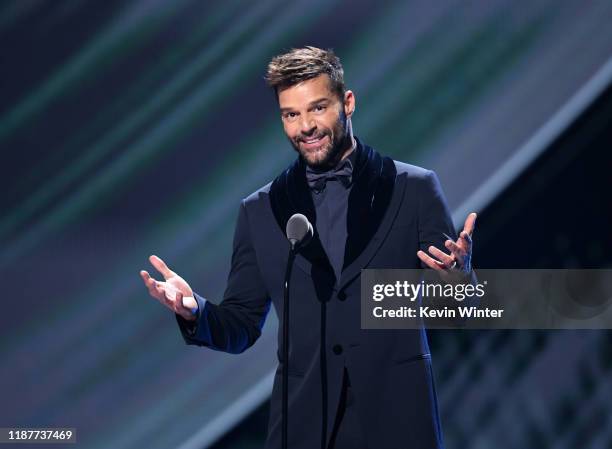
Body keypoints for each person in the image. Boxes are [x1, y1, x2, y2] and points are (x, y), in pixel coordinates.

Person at [140, 46, 477, 449]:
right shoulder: (261, 211)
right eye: (291, 114)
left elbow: (458, 315)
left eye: (317, 108)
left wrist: (459, 278)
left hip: (399, 423)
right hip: (304, 429)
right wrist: (195, 311)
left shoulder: (413, 189)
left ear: (347, 103)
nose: (305, 127)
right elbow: (242, 327)